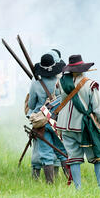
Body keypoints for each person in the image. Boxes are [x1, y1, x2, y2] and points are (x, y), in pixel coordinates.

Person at [56, 55, 100, 190]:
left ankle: (78, 189)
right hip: (84, 125)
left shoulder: (61, 83)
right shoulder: (91, 84)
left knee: (73, 156)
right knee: (98, 155)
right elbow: (97, 109)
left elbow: (61, 99)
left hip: (65, 125)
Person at [27, 52, 69, 184]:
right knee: (63, 151)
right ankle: (70, 180)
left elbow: (31, 104)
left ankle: (49, 183)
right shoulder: (61, 80)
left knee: (45, 153)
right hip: (59, 120)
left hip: (42, 122)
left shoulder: (36, 83)